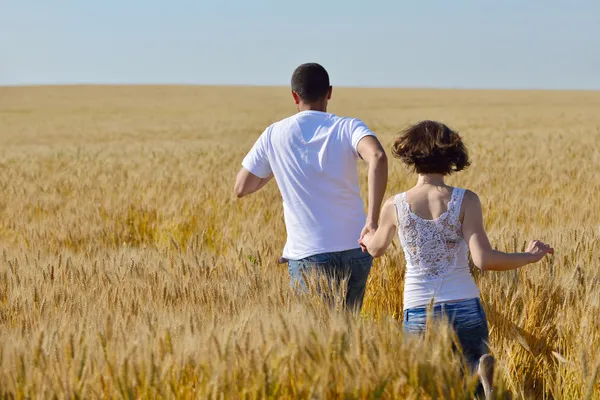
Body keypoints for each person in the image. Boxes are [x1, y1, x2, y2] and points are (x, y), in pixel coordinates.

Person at [358, 120, 553, 398]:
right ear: (451, 156)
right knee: (472, 382)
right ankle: (479, 375)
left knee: (427, 384)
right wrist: (529, 256)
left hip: (419, 310)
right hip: (464, 305)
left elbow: (376, 249)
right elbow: (484, 259)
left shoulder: (395, 205)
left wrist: (367, 235)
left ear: (411, 157)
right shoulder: (466, 200)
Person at [235, 63, 388, 312]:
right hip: (356, 247)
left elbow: (242, 187)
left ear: (295, 96)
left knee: (317, 338)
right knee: (349, 332)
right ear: (329, 92)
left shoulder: (274, 134)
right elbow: (378, 157)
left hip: (308, 253)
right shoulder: (348, 127)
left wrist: (278, 162)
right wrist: (372, 221)